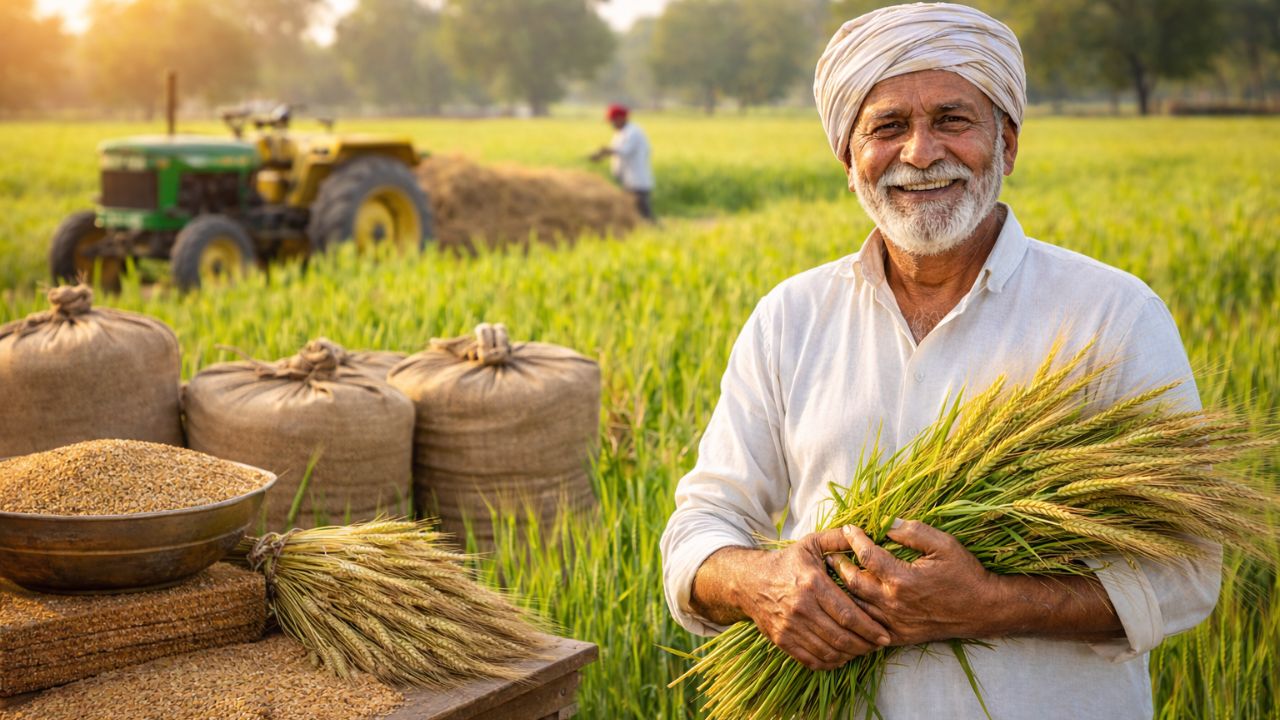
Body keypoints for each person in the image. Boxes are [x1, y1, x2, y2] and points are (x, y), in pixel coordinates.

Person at [659, 3, 1220, 718]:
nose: (921, 153)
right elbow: (702, 522)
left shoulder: (1111, 316)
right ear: (847, 157)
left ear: (1007, 144)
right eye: (887, 127)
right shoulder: (789, 319)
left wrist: (988, 605)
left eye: (952, 119)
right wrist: (757, 582)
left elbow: (1189, 573)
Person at [590, 104, 654, 220]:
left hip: (637, 180)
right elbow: (617, 152)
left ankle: (657, 231)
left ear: (621, 118)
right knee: (633, 214)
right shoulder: (620, 133)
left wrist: (604, 151)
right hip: (627, 180)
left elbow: (624, 150)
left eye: (612, 121)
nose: (611, 124)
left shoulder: (634, 132)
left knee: (643, 213)